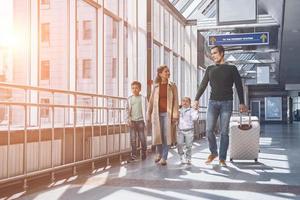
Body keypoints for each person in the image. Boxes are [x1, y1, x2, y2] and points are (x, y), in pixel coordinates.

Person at [194, 45, 248, 167]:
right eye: (212, 54)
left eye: (215, 53)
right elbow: (203, 85)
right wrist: (196, 99)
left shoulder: (232, 69)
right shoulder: (210, 69)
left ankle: (222, 158)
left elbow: (239, 86)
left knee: (224, 132)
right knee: (208, 130)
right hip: (212, 102)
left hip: (227, 103)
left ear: (222, 53)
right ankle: (214, 152)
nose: (213, 56)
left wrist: (242, 102)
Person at [147, 65, 179, 166]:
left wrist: (175, 115)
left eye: (168, 71)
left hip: (168, 114)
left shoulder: (172, 85)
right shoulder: (156, 86)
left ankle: (164, 157)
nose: (168, 73)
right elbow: (151, 101)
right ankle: (159, 154)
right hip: (157, 114)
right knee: (158, 135)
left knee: (166, 135)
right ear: (160, 74)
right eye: (166, 71)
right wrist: (148, 113)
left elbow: (176, 101)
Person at [126, 81, 148, 162]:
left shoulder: (143, 98)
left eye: (136, 88)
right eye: (133, 88)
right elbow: (127, 110)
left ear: (140, 89)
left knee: (142, 138)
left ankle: (144, 152)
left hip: (141, 121)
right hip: (132, 121)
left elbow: (147, 109)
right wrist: (128, 119)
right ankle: (134, 155)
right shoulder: (129, 99)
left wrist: (147, 119)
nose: (134, 89)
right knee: (133, 139)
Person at [177, 97, 199, 165]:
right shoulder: (178, 110)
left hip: (189, 130)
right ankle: (181, 155)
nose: (185, 102)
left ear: (189, 103)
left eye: (187, 101)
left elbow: (195, 118)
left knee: (188, 145)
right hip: (180, 130)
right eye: (183, 101)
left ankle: (188, 158)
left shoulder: (191, 110)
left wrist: (196, 110)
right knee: (179, 144)